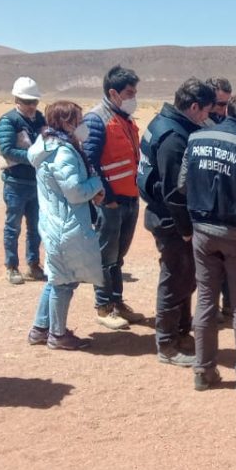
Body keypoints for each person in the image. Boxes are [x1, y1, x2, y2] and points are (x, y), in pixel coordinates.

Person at [180, 92, 236, 392]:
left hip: (203, 232)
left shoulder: (196, 138)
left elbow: (183, 183)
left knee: (206, 300)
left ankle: (203, 371)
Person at [137, 77, 216, 366]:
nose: (207, 116)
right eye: (206, 110)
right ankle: (167, 344)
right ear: (194, 106)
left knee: (184, 278)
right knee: (174, 279)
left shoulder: (163, 122)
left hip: (166, 217)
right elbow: (173, 191)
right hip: (170, 221)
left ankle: (182, 331)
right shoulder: (174, 137)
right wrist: (185, 230)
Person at [26, 101, 107, 350]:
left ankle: (41, 328)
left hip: (56, 221)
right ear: (65, 122)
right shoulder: (63, 152)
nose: (83, 125)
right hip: (65, 224)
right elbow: (74, 191)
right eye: (79, 120)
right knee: (65, 281)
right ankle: (58, 334)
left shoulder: (49, 147)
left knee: (56, 277)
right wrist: (96, 184)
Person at [82, 65, 146, 331]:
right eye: (129, 92)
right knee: (105, 256)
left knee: (118, 257)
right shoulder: (96, 120)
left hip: (129, 198)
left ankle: (117, 301)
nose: (134, 97)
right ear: (113, 92)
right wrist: (105, 196)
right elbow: (88, 160)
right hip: (110, 202)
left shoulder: (125, 119)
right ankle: (103, 306)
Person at [0, 76, 47, 285]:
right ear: (16, 99)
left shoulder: (40, 119)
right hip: (15, 184)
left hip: (36, 183)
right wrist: (32, 158)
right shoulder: (9, 121)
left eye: (34, 101)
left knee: (35, 226)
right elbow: (7, 149)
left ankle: (33, 264)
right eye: (27, 102)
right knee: (13, 226)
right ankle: (12, 266)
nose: (32, 106)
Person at [205, 76, 235, 322]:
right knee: (208, 263)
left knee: (229, 259)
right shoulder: (196, 126)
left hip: (227, 203)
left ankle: (230, 305)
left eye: (226, 104)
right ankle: (210, 309)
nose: (221, 110)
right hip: (205, 205)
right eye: (217, 104)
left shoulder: (230, 124)